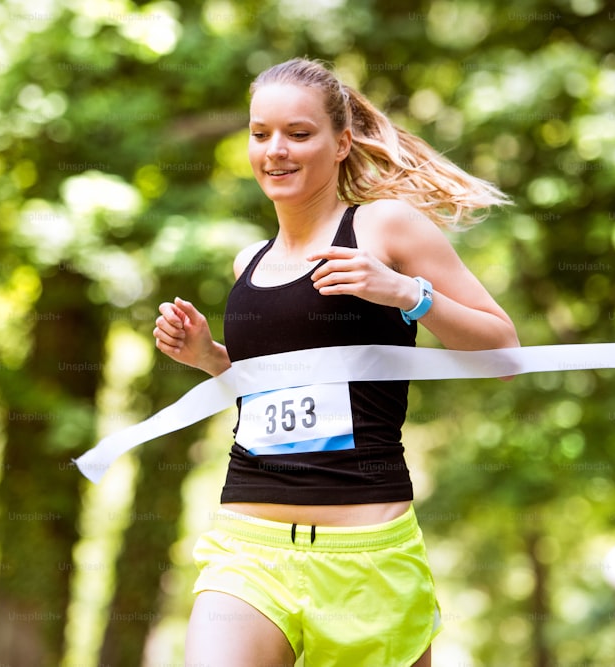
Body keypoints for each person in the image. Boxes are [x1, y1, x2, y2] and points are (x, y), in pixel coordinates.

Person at [153, 57, 519, 667]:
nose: (275, 150)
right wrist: (210, 358)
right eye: (259, 133)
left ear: (341, 142)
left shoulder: (386, 228)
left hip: (367, 555)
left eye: (299, 134)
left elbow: (504, 354)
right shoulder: (249, 262)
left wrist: (407, 295)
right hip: (250, 550)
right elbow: (268, 393)